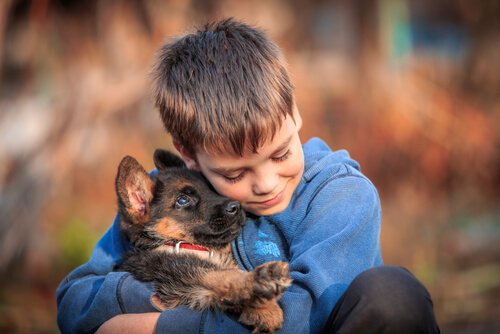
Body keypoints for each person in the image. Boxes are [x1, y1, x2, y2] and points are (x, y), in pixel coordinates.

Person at [56, 18, 440, 333]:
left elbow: (294, 318)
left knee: (393, 294)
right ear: (189, 156)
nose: (267, 183)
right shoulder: (175, 191)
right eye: (235, 173)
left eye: (282, 153)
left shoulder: (342, 196)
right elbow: (75, 301)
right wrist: (150, 296)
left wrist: (156, 327)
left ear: (294, 112)